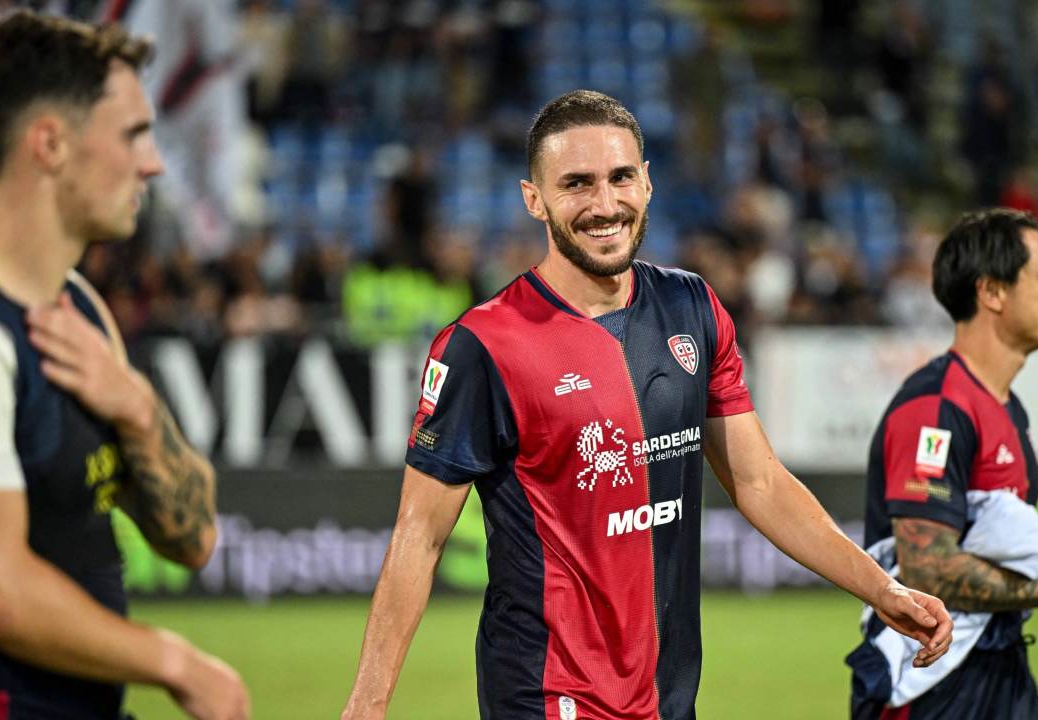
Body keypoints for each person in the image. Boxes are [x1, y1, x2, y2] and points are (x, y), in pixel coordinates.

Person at [340, 89, 953, 720]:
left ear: (648, 182)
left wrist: (882, 589)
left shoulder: (693, 307)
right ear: (534, 199)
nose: (605, 205)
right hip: (546, 695)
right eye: (576, 184)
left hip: (667, 696)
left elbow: (760, 482)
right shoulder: (482, 346)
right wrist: (367, 704)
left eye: (620, 177)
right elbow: (420, 535)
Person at [0, 12, 249, 720]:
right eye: (133, 134)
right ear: (50, 144)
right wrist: (175, 662)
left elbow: (194, 539)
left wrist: (135, 406)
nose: (153, 162)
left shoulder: (77, 308)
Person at [848, 208, 1038, 719]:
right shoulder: (934, 408)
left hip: (1000, 667)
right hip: (929, 684)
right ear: (993, 292)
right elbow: (928, 570)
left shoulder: (1006, 407)